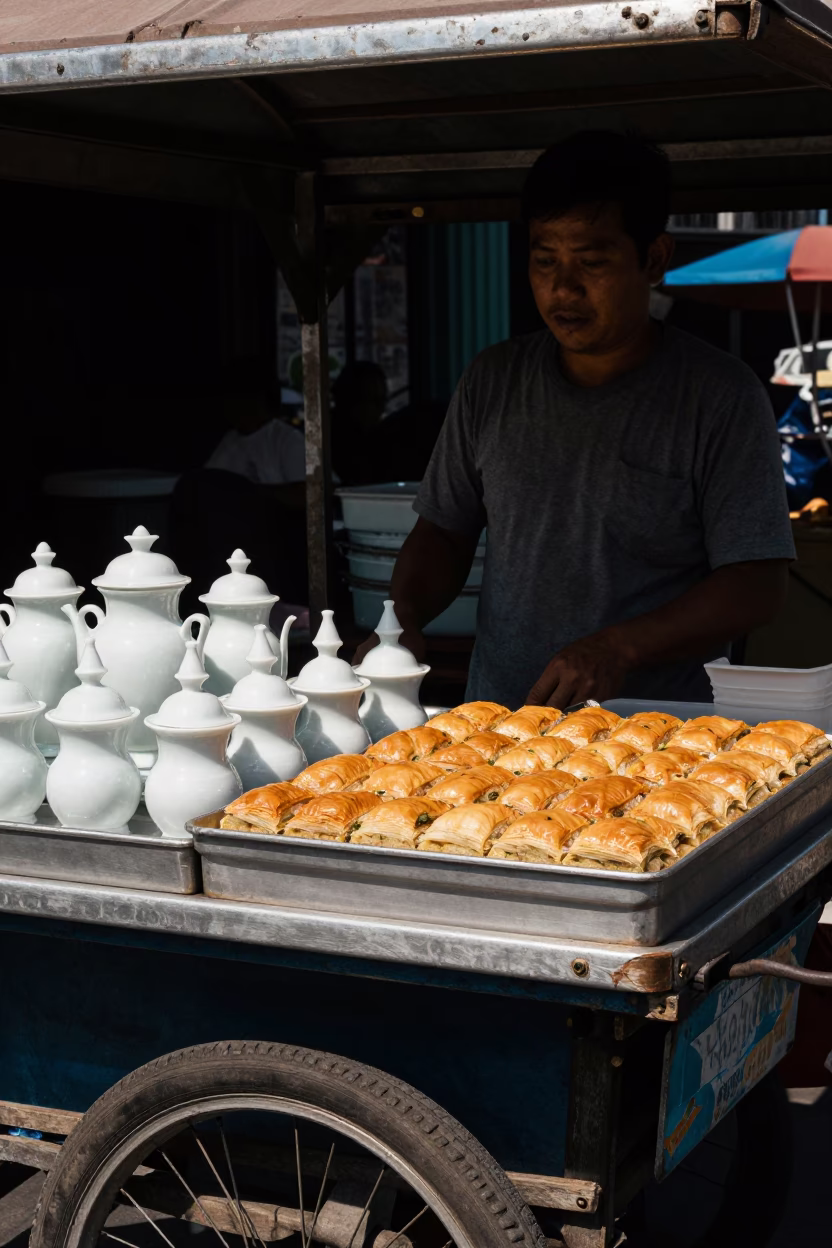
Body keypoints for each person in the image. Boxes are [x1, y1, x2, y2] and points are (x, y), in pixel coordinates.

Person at [355, 130, 795, 708]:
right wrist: (401, 619)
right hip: (503, 726)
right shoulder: (494, 380)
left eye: (591, 261)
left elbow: (756, 583)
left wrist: (619, 649)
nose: (563, 287)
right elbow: (444, 530)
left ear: (655, 259)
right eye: (544, 260)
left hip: (660, 739)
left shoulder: (720, 397)